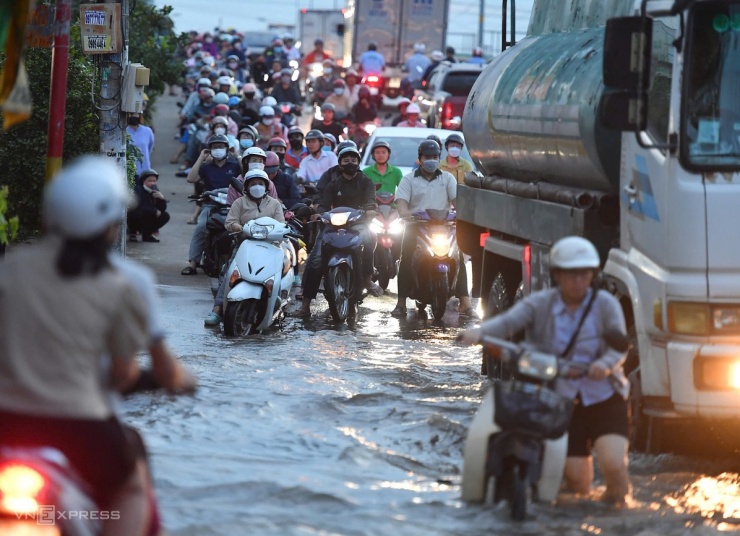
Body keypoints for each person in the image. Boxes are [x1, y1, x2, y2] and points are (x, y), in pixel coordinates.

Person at [0, 156, 152, 536]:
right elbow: (123, 372)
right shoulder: (120, 283)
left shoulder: (12, 269)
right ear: (109, 226)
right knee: (132, 487)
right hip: (83, 429)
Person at [458, 236, 631, 504]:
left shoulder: (605, 306)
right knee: (576, 480)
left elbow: (619, 345)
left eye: (583, 274)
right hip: (560, 400)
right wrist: (477, 332)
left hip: (604, 397)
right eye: (570, 274)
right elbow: (507, 322)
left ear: (592, 276)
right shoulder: (541, 303)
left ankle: (619, 511)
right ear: (557, 275)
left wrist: (603, 366)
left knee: (614, 465)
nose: (577, 281)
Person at [293, 146, 382, 317]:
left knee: (369, 238)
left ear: (358, 162)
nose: (350, 163)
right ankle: (305, 306)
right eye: (346, 160)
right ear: (340, 164)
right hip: (333, 224)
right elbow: (324, 204)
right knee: (317, 258)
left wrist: (370, 210)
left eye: (353, 160)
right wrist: (318, 213)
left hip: (358, 223)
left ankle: (367, 278)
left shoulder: (366, 181)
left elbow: (371, 201)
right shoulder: (333, 183)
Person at [391, 140, 476, 317]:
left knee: (457, 256)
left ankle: (466, 304)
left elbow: (456, 202)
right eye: (427, 157)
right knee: (406, 257)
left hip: (444, 227)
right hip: (417, 226)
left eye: (435, 157)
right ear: (419, 159)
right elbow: (401, 204)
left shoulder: (447, 178)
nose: (431, 160)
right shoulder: (409, 179)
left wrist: (462, 214)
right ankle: (401, 303)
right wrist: (406, 214)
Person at [204, 169, 286, 326]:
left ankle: (277, 302)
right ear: (246, 187)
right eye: (253, 184)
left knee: (278, 272)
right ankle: (217, 308)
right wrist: (241, 228)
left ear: (266, 187)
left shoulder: (275, 204)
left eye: (260, 184)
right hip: (245, 244)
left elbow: (281, 224)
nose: (257, 187)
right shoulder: (239, 202)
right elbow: (229, 222)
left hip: (270, 246)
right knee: (230, 273)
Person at [182, 134, 242, 275]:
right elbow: (191, 178)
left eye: (221, 147)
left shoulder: (234, 165)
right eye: (215, 147)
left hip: (232, 205)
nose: (218, 149)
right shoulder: (206, 167)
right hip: (210, 205)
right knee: (201, 227)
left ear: (227, 149)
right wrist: (201, 157)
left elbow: (247, 175)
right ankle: (193, 263)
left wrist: (238, 156)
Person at [127, 169, 169, 243]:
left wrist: (162, 199)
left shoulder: (155, 191)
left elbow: (162, 209)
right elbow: (139, 206)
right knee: (136, 213)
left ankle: (146, 234)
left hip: (147, 218)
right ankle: (132, 232)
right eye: (150, 181)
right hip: (136, 218)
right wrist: (154, 211)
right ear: (143, 181)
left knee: (165, 216)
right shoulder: (138, 190)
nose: (152, 183)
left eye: (154, 181)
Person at [126, 112, 155, 176]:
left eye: (136, 114)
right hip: (129, 171)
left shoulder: (147, 131)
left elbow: (150, 148)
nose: (134, 116)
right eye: (131, 114)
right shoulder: (123, 131)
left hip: (144, 170)